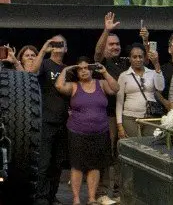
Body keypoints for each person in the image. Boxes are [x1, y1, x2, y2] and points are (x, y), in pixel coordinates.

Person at [54, 58, 119, 205]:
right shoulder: (75, 86)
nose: (84, 70)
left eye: (86, 68)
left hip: (100, 132)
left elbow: (116, 88)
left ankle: (91, 198)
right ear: (77, 72)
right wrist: (66, 69)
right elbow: (58, 86)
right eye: (80, 69)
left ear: (91, 70)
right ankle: (76, 199)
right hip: (77, 132)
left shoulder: (101, 84)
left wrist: (105, 72)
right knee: (77, 166)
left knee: (95, 165)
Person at [93, 12, 129, 204]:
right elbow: (98, 53)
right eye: (111, 44)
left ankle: (117, 190)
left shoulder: (125, 62)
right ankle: (101, 192)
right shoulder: (102, 63)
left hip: (125, 115)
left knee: (121, 155)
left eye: (117, 44)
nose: (115, 47)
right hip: (107, 116)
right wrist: (106, 31)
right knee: (106, 154)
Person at [32, 35, 69, 205]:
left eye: (62, 44)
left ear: (66, 49)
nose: (58, 46)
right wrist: (45, 47)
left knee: (58, 163)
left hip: (63, 121)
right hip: (46, 120)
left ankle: (52, 195)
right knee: (44, 162)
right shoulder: (45, 64)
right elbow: (32, 72)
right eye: (55, 43)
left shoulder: (68, 69)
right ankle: (40, 197)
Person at [116, 43, 164, 138]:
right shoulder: (124, 75)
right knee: (134, 146)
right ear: (129, 59)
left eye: (140, 57)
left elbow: (161, 87)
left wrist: (156, 64)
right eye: (134, 57)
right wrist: (119, 126)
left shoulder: (152, 73)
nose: (138, 59)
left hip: (150, 117)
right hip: (130, 118)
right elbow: (119, 101)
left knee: (151, 146)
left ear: (145, 58)